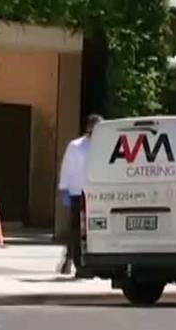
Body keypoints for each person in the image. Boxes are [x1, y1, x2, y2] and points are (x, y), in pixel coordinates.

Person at [58, 113, 102, 276]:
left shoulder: (103, 146)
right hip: (78, 192)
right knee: (77, 230)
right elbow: (67, 167)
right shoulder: (76, 146)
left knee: (92, 231)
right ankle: (77, 263)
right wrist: (64, 188)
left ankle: (89, 262)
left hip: (96, 193)